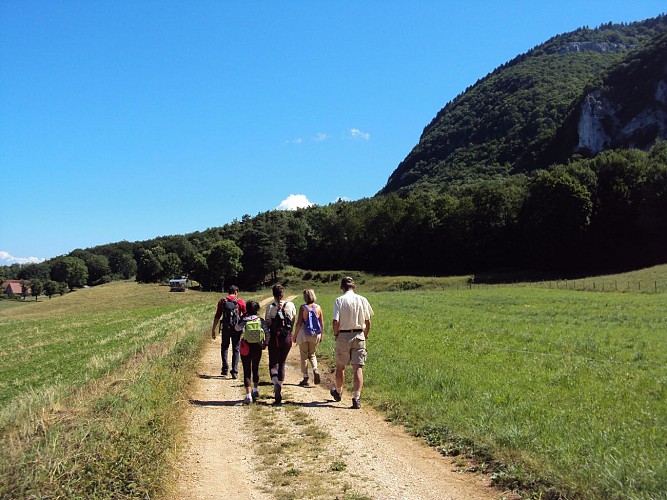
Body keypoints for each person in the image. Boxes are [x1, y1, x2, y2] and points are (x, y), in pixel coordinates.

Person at [331, 276, 374, 409]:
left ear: (342, 287)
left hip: (343, 335)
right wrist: (365, 335)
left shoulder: (339, 300)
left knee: (340, 366)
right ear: (353, 287)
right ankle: (356, 398)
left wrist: (336, 334)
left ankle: (338, 392)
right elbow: (368, 322)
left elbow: (335, 322)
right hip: (359, 334)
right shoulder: (362, 300)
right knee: (358, 368)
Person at [264, 284, 296, 404]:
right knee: (282, 362)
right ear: (283, 294)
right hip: (286, 337)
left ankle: (275, 382)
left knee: (273, 363)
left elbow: (267, 322)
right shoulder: (290, 305)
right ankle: (280, 387)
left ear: (273, 294)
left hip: (274, 338)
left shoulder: (270, 307)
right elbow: (293, 319)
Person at [235, 300, 270, 404]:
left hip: (246, 346)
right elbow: (267, 333)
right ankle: (255, 389)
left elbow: (237, 328)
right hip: (257, 346)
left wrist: (240, 319)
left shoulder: (244, 320)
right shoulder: (260, 320)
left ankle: (248, 395)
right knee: (255, 368)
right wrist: (265, 344)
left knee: (246, 370)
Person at [211, 285, 246, 379]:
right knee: (236, 349)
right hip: (236, 328)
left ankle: (225, 369)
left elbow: (217, 316)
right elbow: (246, 316)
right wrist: (244, 328)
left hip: (226, 328)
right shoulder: (240, 301)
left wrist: (213, 329)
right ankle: (234, 371)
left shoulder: (222, 301)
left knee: (224, 347)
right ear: (236, 292)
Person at [292, 289, 324, 387]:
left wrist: (295, 335)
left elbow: (299, 323)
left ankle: (305, 377)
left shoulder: (303, 308)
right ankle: (315, 369)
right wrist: (321, 335)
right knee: (312, 354)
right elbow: (321, 323)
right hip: (315, 334)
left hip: (304, 333)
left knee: (304, 355)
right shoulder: (318, 307)